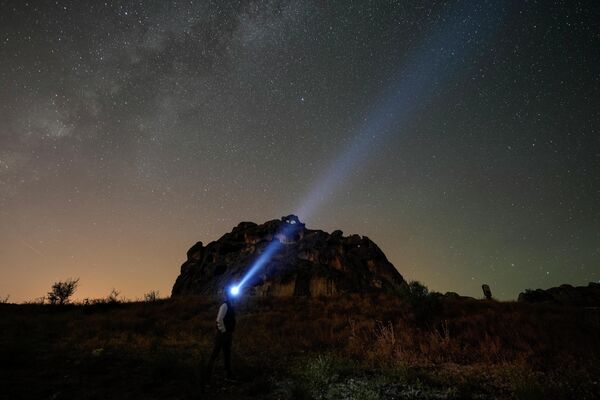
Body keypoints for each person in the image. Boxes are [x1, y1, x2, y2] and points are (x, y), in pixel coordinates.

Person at [205, 289, 236, 380]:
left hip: (228, 334)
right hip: (222, 335)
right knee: (215, 353)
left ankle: (229, 374)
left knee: (227, 354)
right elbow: (219, 319)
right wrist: (223, 330)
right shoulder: (225, 305)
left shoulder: (230, 306)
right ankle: (207, 373)